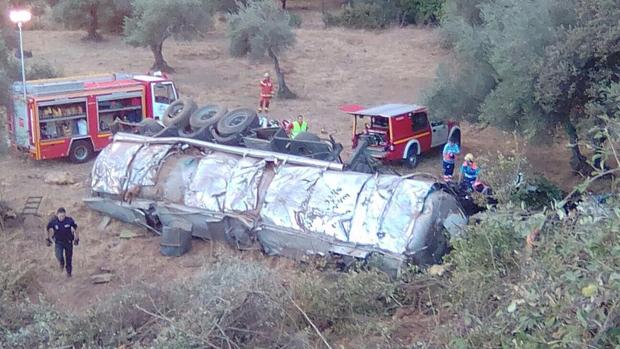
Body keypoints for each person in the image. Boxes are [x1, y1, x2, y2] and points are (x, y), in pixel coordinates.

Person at [46, 207, 79, 277]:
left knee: (69, 258)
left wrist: (77, 238)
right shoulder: (54, 221)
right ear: (57, 215)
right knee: (59, 255)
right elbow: (47, 228)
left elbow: (76, 228)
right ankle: (61, 262)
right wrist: (47, 238)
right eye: (60, 216)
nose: (62, 218)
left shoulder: (69, 220)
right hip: (58, 242)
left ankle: (69, 273)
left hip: (68, 242)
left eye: (63, 216)